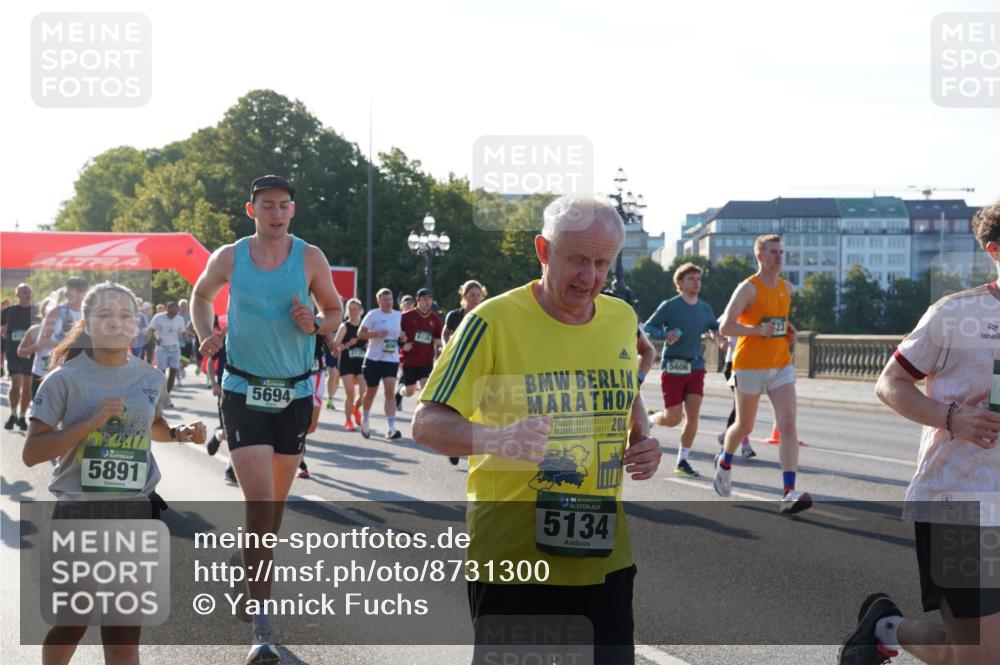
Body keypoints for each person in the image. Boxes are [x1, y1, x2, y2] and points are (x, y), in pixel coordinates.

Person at [412, 196, 662, 665]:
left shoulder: (621, 319)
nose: (589, 277)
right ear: (544, 251)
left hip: (604, 555)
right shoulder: (490, 323)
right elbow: (426, 422)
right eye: (577, 260)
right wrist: (495, 439)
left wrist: (642, 440)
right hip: (513, 560)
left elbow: (624, 387)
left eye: (602, 263)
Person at [838, 201, 1000, 665]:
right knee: (978, 658)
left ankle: (884, 627)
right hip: (961, 499)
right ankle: (888, 627)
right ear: (994, 250)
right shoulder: (954, 314)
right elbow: (889, 382)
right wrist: (953, 418)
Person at [191, 174, 342, 665]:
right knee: (259, 502)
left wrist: (317, 324)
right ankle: (261, 622)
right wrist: (207, 332)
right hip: (242, 388)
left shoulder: (310, 257)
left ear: (292, 211)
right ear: (250, 209)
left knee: (274, 506)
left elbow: (335, 310)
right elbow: (200, 294)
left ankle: (250, 566)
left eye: (283, 205)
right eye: (267, 205)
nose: (276, 213)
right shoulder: (230, 256)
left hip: (295, 390)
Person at [22, 281, 206, 665]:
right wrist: (90, 422)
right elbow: (32, 453)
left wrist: (177, 434)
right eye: (104, 315)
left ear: (137, 326)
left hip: (133, 514)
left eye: (125, 315)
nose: (116, 323)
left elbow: (153, 425)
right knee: (72, 624)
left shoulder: (150, 377)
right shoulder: (64, 379)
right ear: (87, 324)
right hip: (80, 515)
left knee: (123, 637)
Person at [714, 234, 810, 515]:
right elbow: (725, 327)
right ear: (759, 256)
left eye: (781, 252)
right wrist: (756, 331)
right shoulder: (748, 288)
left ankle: (788, 491)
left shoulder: (786, 288)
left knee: (788, 424)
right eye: (772, 252)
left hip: (781, 363)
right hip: (749, 366)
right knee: (744, 426)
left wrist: (788, 331)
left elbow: (779, 323)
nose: (778, 256)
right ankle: (725, 461)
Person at [643, 263, 727, 477]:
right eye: (691, 278)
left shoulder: (705, 308)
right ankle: (650, 419)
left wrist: (719, 338)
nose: (696, 283)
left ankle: (682, 461)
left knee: (692, 417)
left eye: (698, 279)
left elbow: (713, 328)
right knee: (673, 419)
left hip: (696, 366)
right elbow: (650, 327)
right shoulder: (670, 306)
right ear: (680, 282)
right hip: (673, 365)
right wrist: (665, 335)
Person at [357, 288, 404, 439]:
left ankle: (391, 428)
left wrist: (403, 336)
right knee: (371, 391)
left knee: (390, 392)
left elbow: (402, 333)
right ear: (379, 301)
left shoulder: (398, 315)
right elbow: (360, 334)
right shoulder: (373, 314)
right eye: (385, 300)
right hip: (373, 359)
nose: (388, 302)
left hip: (391, 359)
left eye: (390, 299)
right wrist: (376, 334)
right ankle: (365, 418)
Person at [395, 287, 444, 411]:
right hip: (409, 360)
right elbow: (394, 334)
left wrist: (443, 346)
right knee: (410, 391)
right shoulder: (405, 317)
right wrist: (402, 345)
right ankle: (400, 391)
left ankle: (421, 414)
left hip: (426, 360)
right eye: (424, 299)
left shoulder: (435, 320)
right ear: (418, 300)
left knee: (426, 389)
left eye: (430, 299)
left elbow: (439, 338)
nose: (428, 302)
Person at [2, 283, 35, 430]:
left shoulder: (37, 312)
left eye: (28, 292)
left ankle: (22, 416)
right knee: (16, 384)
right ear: (17, 295)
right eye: (23, 292)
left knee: (27, 388)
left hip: (31, 353)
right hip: (14, 353)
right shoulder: (9, 311)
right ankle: (13, 414)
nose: (27, 294)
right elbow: (1, 329)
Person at [718, 334, 756, 458]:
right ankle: (734, 446)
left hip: (749, 365)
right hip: (733, 365)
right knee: (739, 407)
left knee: (743, 407)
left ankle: (727, 436)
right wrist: (721, 341)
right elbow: (713, 326)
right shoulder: (735, 314)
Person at [332, 298, 366, 431]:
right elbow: (335, 348)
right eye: (350, 309)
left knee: (364, 393)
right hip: (347, 363)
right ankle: (348, 421)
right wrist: (347, 345)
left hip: (361, 363)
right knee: (350, 394)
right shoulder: (344, 327)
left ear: (360, 311)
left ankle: (355, 409)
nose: (352, 312)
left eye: (355, 309)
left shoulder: (364, 327)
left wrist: (369, 345)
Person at [148, 301, 187, 401]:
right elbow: (151, 329)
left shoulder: (179, 319)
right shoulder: (158, 317)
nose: (172, 315)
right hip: (162, 349)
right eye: (170, 313)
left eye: (175, 313)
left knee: (173, 372)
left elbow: (182, 332)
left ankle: (166, 396)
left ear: (177, 311)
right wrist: (156, 339)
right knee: (161, 373)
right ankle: (160, 393)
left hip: (174, 348)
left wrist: (185, 338)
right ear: (167, 310)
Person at [17, 301, 56, 398]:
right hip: (40, 376)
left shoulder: (68, 331)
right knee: (39, 411)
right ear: (43, 312)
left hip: (62, 377)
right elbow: (21, 352)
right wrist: (35, 347)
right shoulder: (35, 330)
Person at [442, 279, 486, 345]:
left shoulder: (485, 316)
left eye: (478, 295)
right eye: (472, 295)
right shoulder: (453, 316)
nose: (475, 298)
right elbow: (445, 334)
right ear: (464, 296)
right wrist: (446, 348)